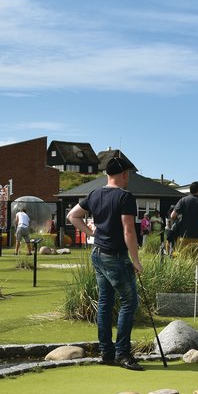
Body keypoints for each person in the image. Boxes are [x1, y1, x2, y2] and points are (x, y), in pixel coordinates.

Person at [67, 150, 144, 371]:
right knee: (129, 303)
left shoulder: (94, 194)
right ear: (124, 174)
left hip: (98, 253)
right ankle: (122, 353)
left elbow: (72, 216)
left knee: (105, 302)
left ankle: (106, 352)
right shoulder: (125, 197)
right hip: (115, 256)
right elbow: (129, 231)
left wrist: (91, 234)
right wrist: (136, 260)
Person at [169, 181, 198, 252]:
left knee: (182, 260)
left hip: (184, 236)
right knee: (196, 261)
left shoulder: (183, 200)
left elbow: (173, 216)